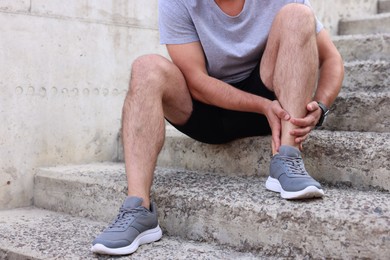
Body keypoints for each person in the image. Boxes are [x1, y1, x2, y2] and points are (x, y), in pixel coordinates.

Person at [91, 0, 344, 256]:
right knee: (145, 68)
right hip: (208, 114)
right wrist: (263, 106)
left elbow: (331, 58)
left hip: (273, 100)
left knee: (298, 14)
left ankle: (287, 156)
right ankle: (138, 209)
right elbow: (197, 82)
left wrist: (321, 106)